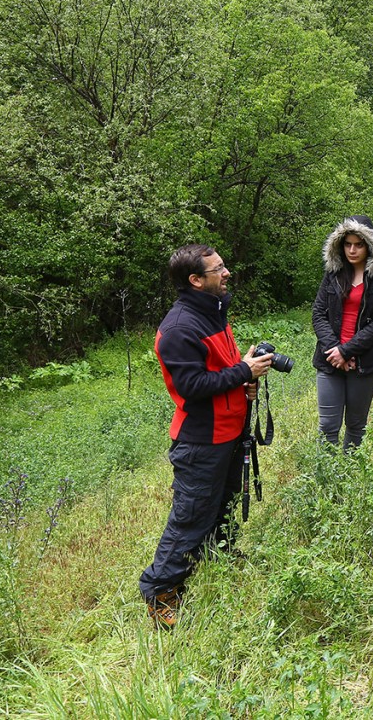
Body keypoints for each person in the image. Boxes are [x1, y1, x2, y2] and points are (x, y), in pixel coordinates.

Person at [140, 244, 273, 628]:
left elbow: (220, 368)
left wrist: (242, 374)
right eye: (218, 269)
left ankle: (220, 555)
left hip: (230, 431)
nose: (226, 272)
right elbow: (193, 386)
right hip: (201, 439)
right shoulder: (179, 328)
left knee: (225, 504)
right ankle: (160, 591)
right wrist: (242, 373)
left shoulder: (213, 311)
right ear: (195, 280)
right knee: (190, 517)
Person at [311, 215, 373, 452]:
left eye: (358, 244)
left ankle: (350, 476)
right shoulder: (333, 275)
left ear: (370, 246)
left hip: (365, 362)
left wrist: (347, 351)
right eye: (348, 244)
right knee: (328, 425)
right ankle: (326, 477)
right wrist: (336, 351)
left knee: (356, 425)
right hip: (329, 359)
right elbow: (318, 314)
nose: (352, 250)